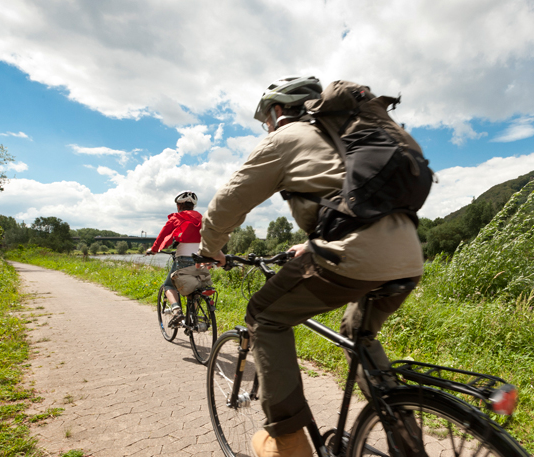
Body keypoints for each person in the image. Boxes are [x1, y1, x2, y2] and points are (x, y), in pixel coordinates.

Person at [198, 76, 424, 457]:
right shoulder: (352, 135)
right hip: (408, 256)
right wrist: (313, 241)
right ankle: (406, 438)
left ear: (278, 110)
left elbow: (228, 202)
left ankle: (289, 442)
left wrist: (211, 249)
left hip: (352, 256)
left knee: (265, 315)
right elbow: (354, 201)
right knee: (358, 332)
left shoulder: (285, 138)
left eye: (266, 118)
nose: (267, 126)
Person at [147, 190, 203, 321]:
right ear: (193, 206)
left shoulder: (177, 217)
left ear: (178, 206)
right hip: (201, 259)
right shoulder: (202, 217)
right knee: (195, 289)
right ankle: (192, 317)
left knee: (169, 286)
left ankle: (177, 311)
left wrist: (154, 249)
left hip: (183, 259)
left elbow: (162, 235)